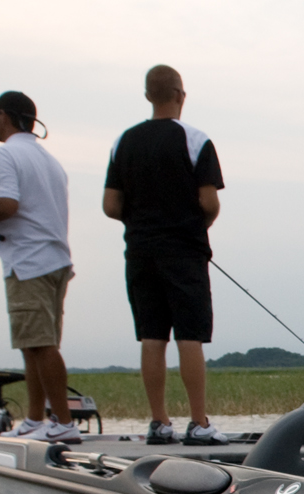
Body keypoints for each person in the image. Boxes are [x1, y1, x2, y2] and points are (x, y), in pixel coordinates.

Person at [103, 64, 228, 446]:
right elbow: (209, 201)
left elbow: (110, 205)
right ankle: (199, 422)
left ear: (147, 96)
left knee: (152, 336)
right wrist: (195, 225)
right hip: (185, 251)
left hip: (140, 250)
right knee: (190, 336)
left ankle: (159, 422)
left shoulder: (124, 141)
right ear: (180, 95)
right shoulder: (195, 140)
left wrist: (142, 220)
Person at [0, 91, 78, 443]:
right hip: (56, 259)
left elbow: (7, 204)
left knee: (40, 345)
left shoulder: (5, 153)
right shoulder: (49, 160)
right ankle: (36, 420)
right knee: (34, 344)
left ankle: (64, 423)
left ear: (5, 116)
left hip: (28, 261)